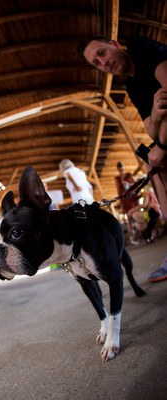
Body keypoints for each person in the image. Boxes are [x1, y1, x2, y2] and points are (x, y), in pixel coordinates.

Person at [81, 35, 167, 282]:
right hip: (162, 138)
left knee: (156, 155)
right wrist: (154, 112)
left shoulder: (141, 48)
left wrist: (160, 144)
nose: (103, 63)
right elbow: (150, 127)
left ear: (115, 44)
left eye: (102, 53)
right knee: (152, 166)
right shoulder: (132, 86)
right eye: (97, 63)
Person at [115, 161, 139, 242]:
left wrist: (128, 184)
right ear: (118, 169)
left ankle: (139, 231)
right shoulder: (117, 178)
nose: (121, 171)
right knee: (129, 218)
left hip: (133, 196)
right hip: (125, 199)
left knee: (136, 213)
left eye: (122, 169)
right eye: (120, 169)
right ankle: (132, 236)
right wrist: (121, 202)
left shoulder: (129, 174)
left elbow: (136, 184)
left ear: (123, 168)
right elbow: (118, 191)